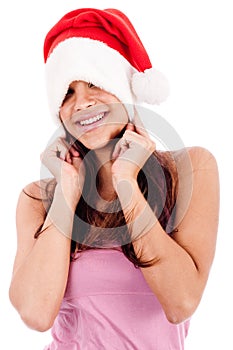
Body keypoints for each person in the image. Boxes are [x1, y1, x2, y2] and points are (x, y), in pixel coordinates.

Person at [9, 8, 219, 350]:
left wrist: (126, 182)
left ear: (123, 87)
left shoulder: (191, 169)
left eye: (95, 83)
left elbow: (181, 303)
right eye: (67, 93)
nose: (82, 103)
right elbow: (35, 313)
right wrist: (67, 192)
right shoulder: (38, 198)